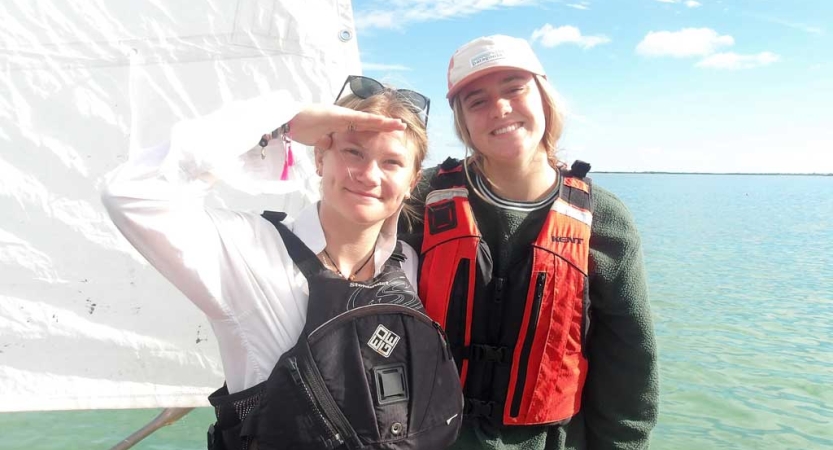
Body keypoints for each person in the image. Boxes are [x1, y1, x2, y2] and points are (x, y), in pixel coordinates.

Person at [102, 75, 463, 449]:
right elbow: (129, 194)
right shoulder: (247, 252)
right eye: (353, 152)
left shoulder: (409, 264)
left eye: (391, 162)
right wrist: (280, 122)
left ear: (412, 181)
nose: (369, 175)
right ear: (320, 157)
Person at [403, 35, 659, 449]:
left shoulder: (606, 221)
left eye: (514, 89)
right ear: (462, 121)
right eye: (477, 101)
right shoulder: (420, 199)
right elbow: (335, 238)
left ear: (543, 97)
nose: (500, 109)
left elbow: (629, 366)